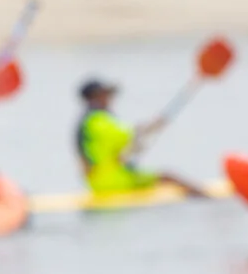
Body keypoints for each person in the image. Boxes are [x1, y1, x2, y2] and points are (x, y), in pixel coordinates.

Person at [74, 78, 206, 199]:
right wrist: (157, 123)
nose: (110, 98)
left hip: (99, 183)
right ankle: (207, 198)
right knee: (169, 177)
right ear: (94, 98)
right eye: (106, 94)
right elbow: (133, 133)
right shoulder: (97, 121)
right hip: (113, 183)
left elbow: (120, 149)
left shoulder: (87, 122)